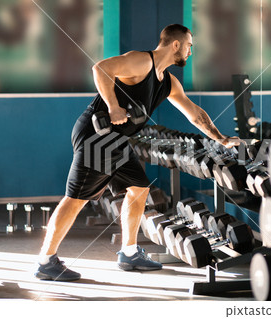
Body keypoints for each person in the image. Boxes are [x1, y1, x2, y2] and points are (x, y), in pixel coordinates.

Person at [34, 24, 241, 281]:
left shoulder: (168, 83)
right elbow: (100, 69)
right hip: (97, 136)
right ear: (175, 44)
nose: (191, 52)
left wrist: (220, 139)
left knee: (139, 188)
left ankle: (129, 253)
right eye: (189, 46)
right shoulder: (142, 61)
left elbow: (195, 114)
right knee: (76, 199)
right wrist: (113, 106)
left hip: (117, 140)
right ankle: (46, 261)